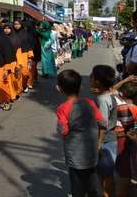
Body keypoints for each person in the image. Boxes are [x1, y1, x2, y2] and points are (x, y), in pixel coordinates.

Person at [56, 69, 104, 197]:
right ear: (80, 86)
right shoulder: (90, 103)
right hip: (92, 152)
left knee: (78, 187)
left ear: (60, 89)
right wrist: (99, 141)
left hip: (75, 155)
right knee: (93, 182)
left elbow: (64, 130)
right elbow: (102, 121)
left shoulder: (63, 108)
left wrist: (59, 125)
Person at [91, 65, 118, 196]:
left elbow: (102, 123)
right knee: (106, 173)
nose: (90, 77)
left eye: (92, 75)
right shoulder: (110, 94)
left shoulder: (102, 100)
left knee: (105, 175)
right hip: (111, 139)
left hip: (106, 140)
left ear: (97, 81)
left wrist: (99, 143)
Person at [13, 20, 35, 92]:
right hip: (14, 55)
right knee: (16, 72)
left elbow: (29, 45)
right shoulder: (12, 33)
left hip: (24, 54)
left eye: (18, 24)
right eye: (15, 24)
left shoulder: (26, 34)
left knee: (24, 72)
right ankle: (18, 88)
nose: (16, 26)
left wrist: (30, 56)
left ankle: (25, 85)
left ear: (21, 25)